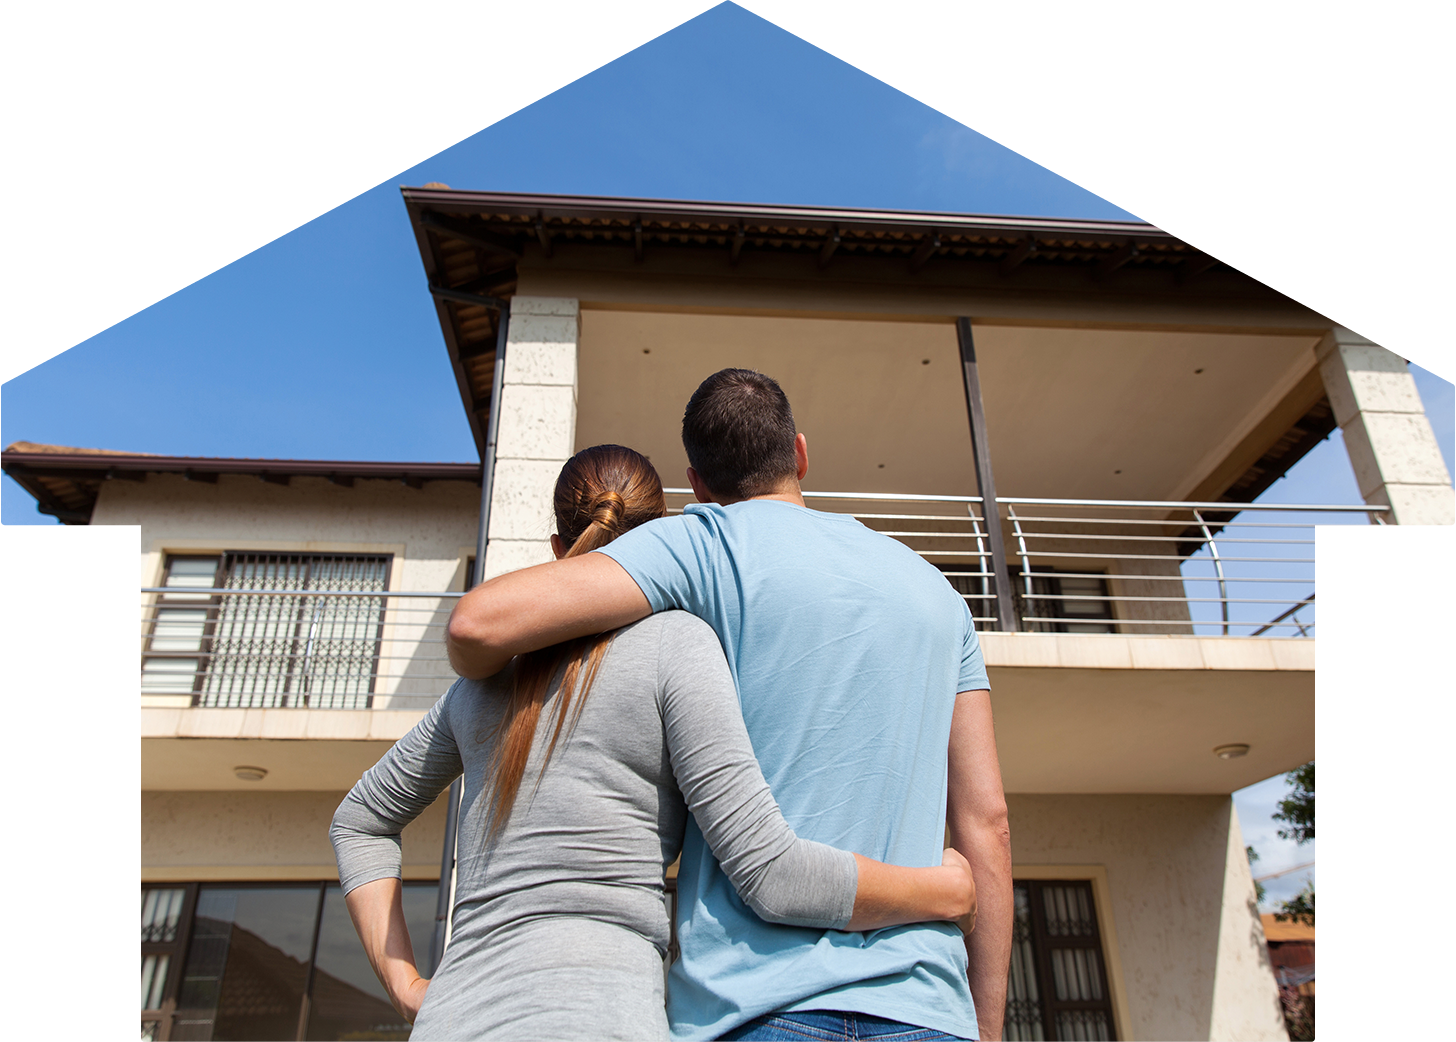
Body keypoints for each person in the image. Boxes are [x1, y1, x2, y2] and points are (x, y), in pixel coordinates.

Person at [332, 443, 978, 1042]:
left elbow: (359, 821)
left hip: (451, 1021)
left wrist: (406, 983)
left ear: (559, 543)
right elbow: (774, 877)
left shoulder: (481, 686)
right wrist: (945, 890)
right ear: (660, 540)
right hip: (602, 1018)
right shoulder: (676, 647)